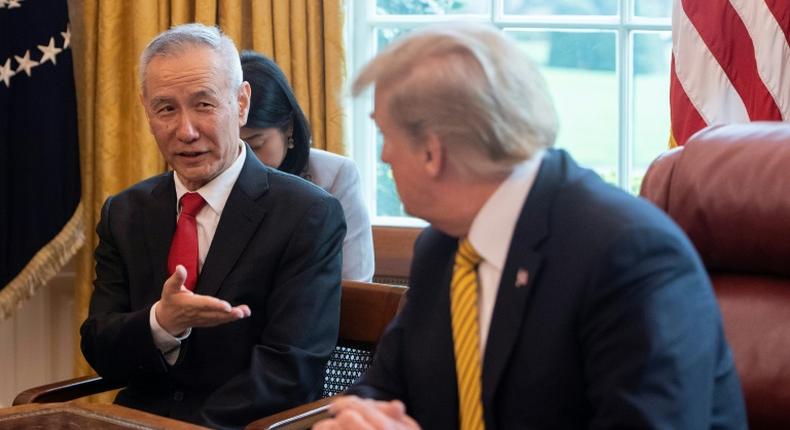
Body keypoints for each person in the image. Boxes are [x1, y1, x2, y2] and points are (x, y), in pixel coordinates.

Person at [314, 23, 747, 429]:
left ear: (432, 152)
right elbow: (385, 388)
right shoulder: (442, 248)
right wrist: (359, 414)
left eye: (385, 135)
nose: (385, 156)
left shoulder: (629, 257)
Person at [79, 23, 346, 430]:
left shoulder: (307, 214)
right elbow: (100, 345)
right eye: (166, 108)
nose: (185, 131)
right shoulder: (125, 212)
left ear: (241, 104)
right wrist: (161, 323)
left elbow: (289, 371)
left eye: (204, 104)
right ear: (146, 111)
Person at [239, 51, 374, 281]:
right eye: (235, 147)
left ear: (289, 126)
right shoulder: (217, 174)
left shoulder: (334, 176)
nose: (244, 159)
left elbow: (356, 282)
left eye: (256, 144)